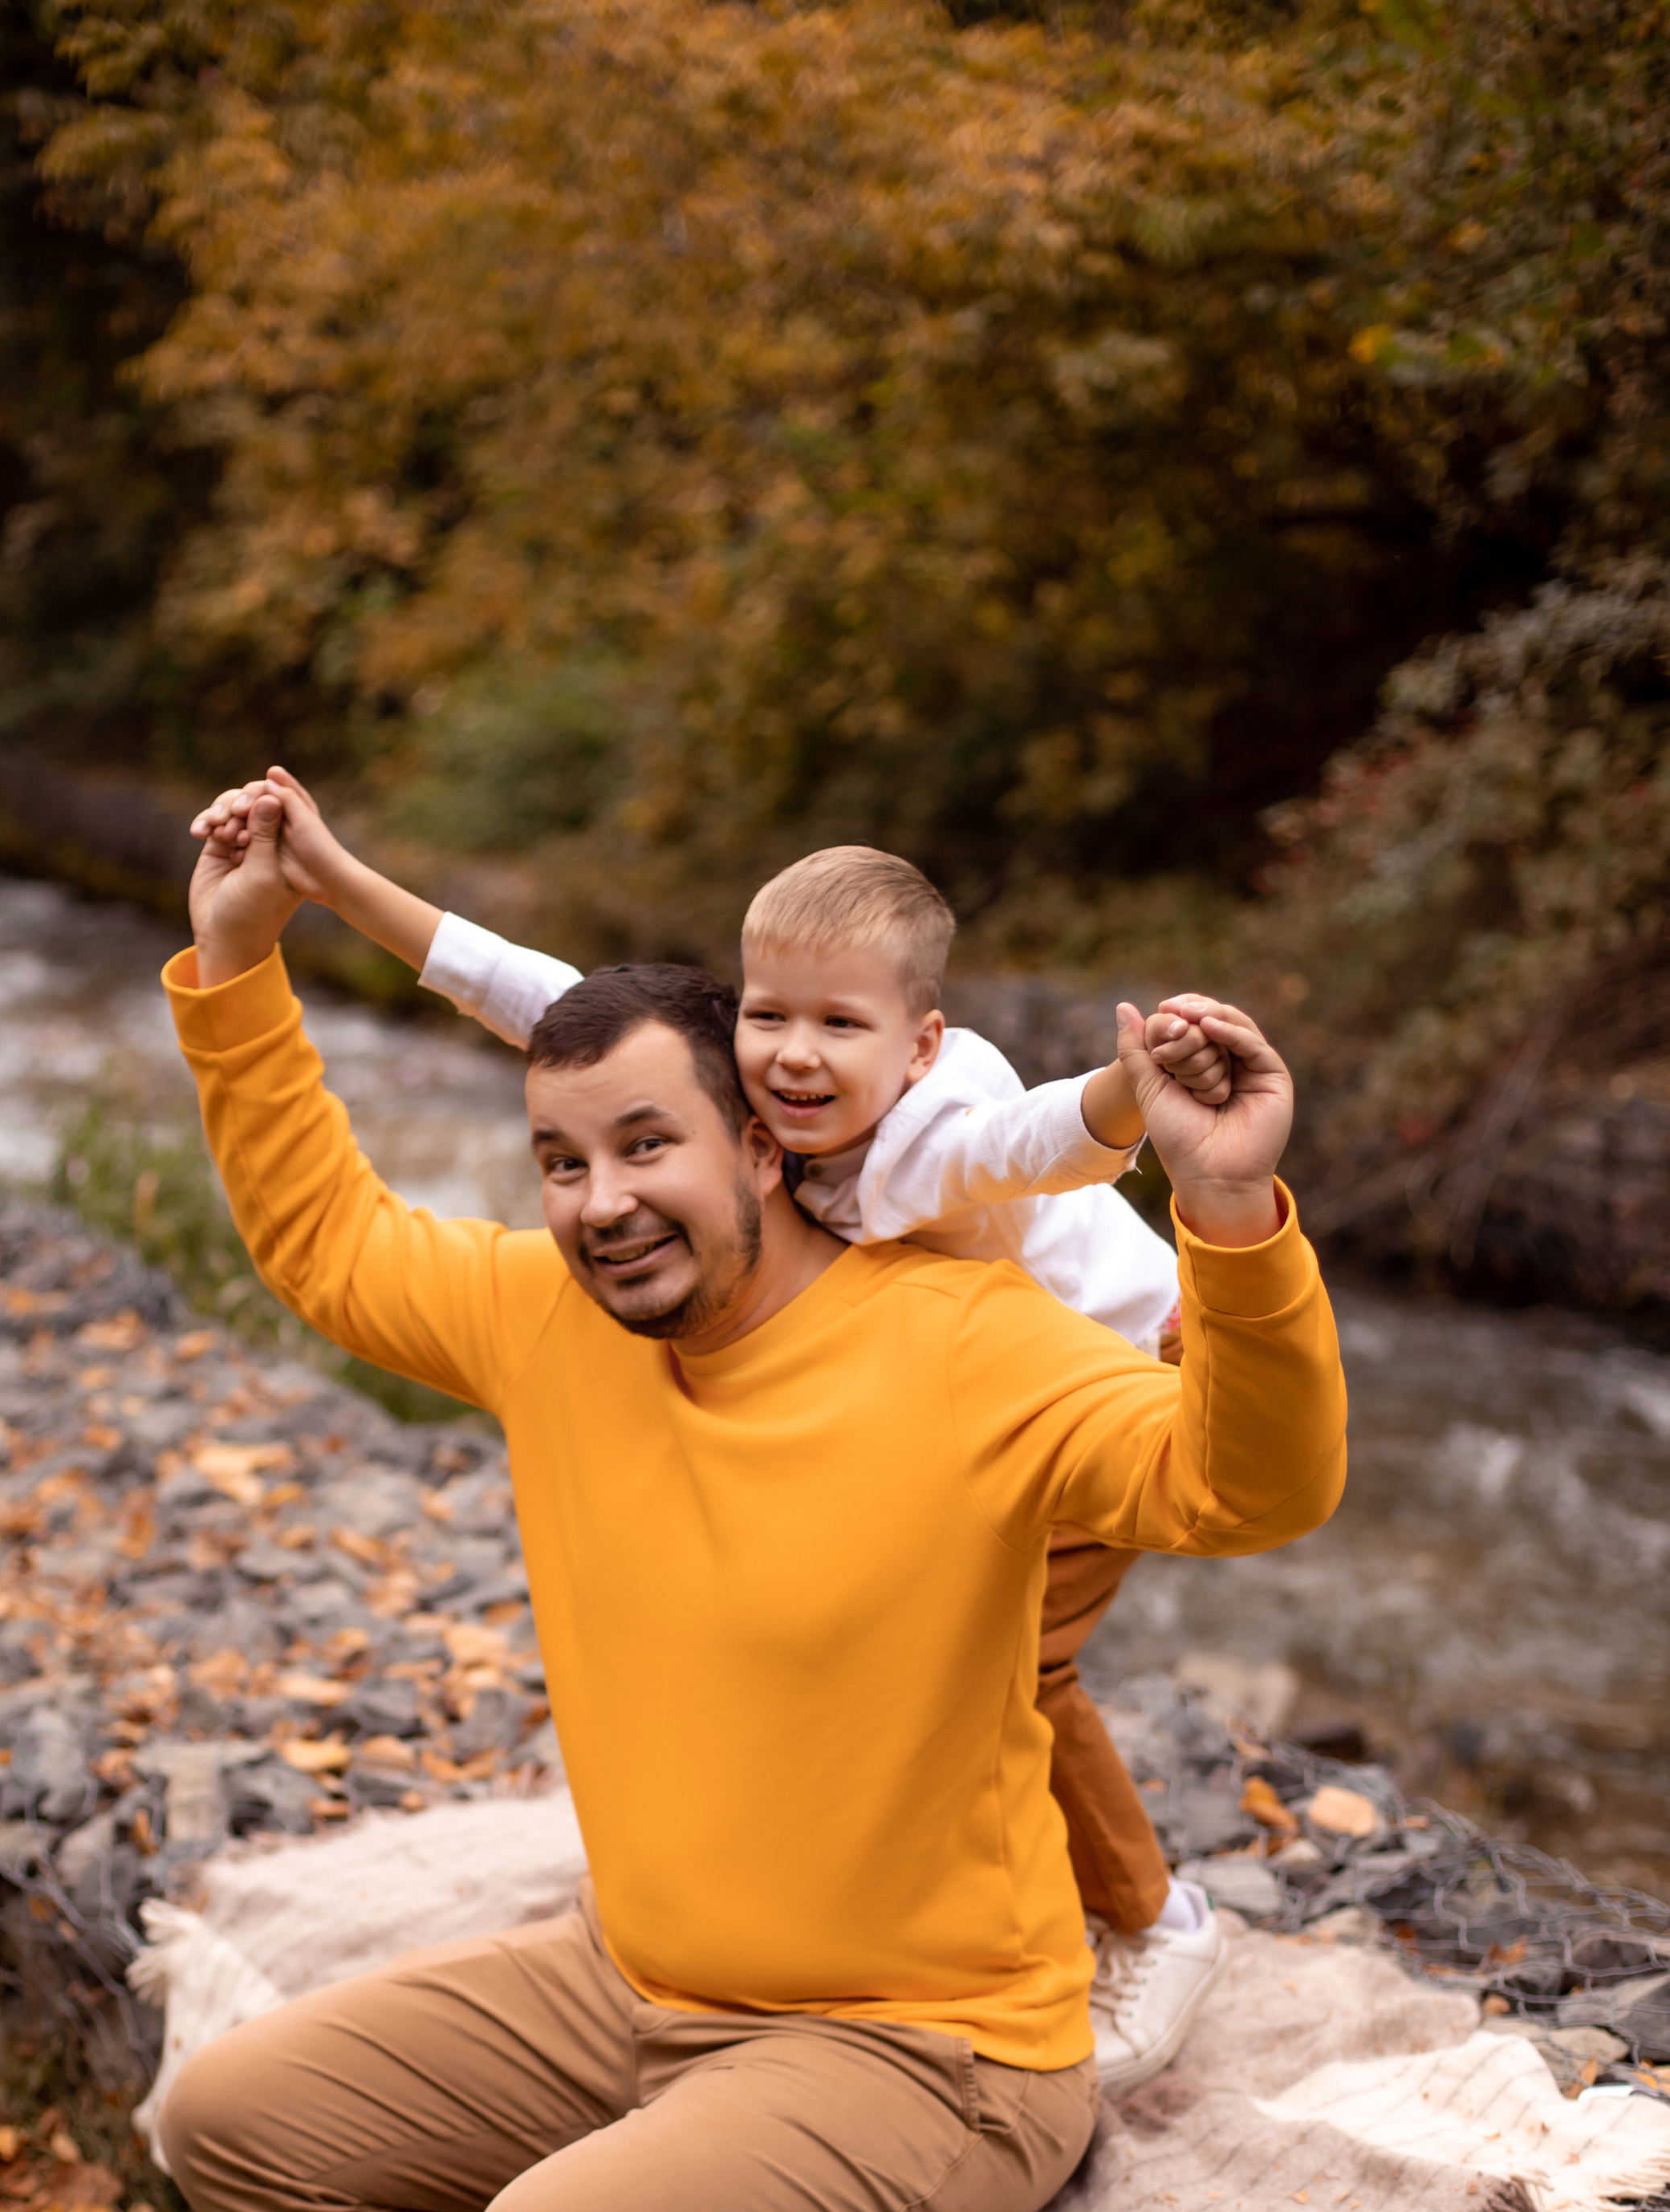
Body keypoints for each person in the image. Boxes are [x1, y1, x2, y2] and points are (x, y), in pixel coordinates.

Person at [157, 785, 1345, 2212]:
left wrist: (1237, 1223)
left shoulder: (967, 1349)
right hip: (644, 1982)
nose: (600, 1201)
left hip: (931, 2054)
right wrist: (243, 964)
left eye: (644, 1147)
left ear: (763, 1140)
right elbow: (328, 1241)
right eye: (558, 1160)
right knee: (244, 2121)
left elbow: (1238, 1488)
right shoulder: (555, 1328)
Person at [191, 769, 1235, 2088]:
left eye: (836, 1024)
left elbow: (1043, 1138)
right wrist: (334, 885)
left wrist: (1140, 1091)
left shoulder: (918, 1142)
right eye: (768, 1015)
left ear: (917, 1041)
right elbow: (532, 994)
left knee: (1008, 1670)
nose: (795, 1053)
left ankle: (1155, 1923)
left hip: (1106, 1378)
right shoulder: (784, 1099)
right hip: (998, 1386)